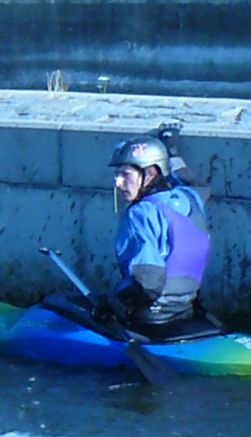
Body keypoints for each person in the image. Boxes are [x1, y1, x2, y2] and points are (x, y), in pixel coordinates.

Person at [57, 131, 218, 341]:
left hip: (150, 319)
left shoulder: (139, 214)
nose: (118, 183)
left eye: (126, 174)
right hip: (186, 311)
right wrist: (172, 154)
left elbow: (148, 284)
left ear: (150, 174)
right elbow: (198, 184)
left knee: (58, 304)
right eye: (117, 175)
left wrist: (111, 305)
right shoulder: (190, 197)